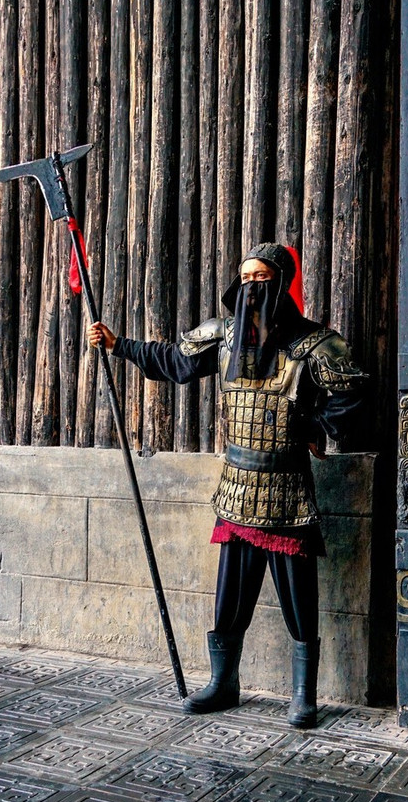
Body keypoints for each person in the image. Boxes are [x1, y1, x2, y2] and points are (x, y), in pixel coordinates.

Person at [88, 242, 365, 728]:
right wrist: (119, 346)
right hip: (236, 486)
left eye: (262, 277)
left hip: (286, 489)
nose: (251, 286)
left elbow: (352, 399)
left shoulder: (317, 344)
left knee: (298, 594)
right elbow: (175, 361)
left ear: (283, 283)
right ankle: (223, 681)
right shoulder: (224, 335)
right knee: (230, 592)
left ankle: (303, 694)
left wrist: (314, 425)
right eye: (245, 277)